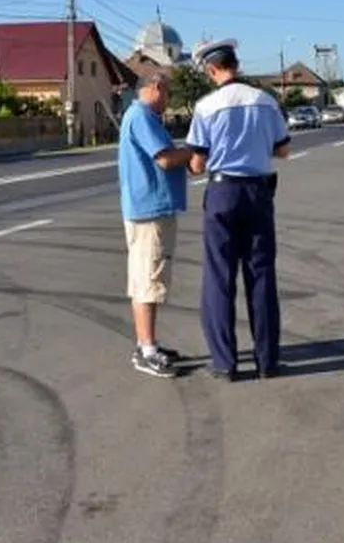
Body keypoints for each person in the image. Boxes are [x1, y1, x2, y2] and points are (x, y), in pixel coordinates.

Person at [185, 39, 291, 382]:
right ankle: (267, 361)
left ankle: (224, 362)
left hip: (222, 191)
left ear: (212, 68)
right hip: (258, 192)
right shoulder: (266, 101)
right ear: (237, 64)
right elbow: (284, 149)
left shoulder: (206, 106)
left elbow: (198, 163)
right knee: (261, 275)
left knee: (219, 277)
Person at [118, 71, 193, 378]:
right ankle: (146, 349)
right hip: (150, 210)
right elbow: (164, 159)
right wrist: (195, 150)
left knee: (146, 277)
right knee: (149, 279)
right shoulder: (142, 117)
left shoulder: (141, 116)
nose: (168, 100)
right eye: (168, 93)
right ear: (157, 88)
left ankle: (147, 342)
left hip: (148, 208)